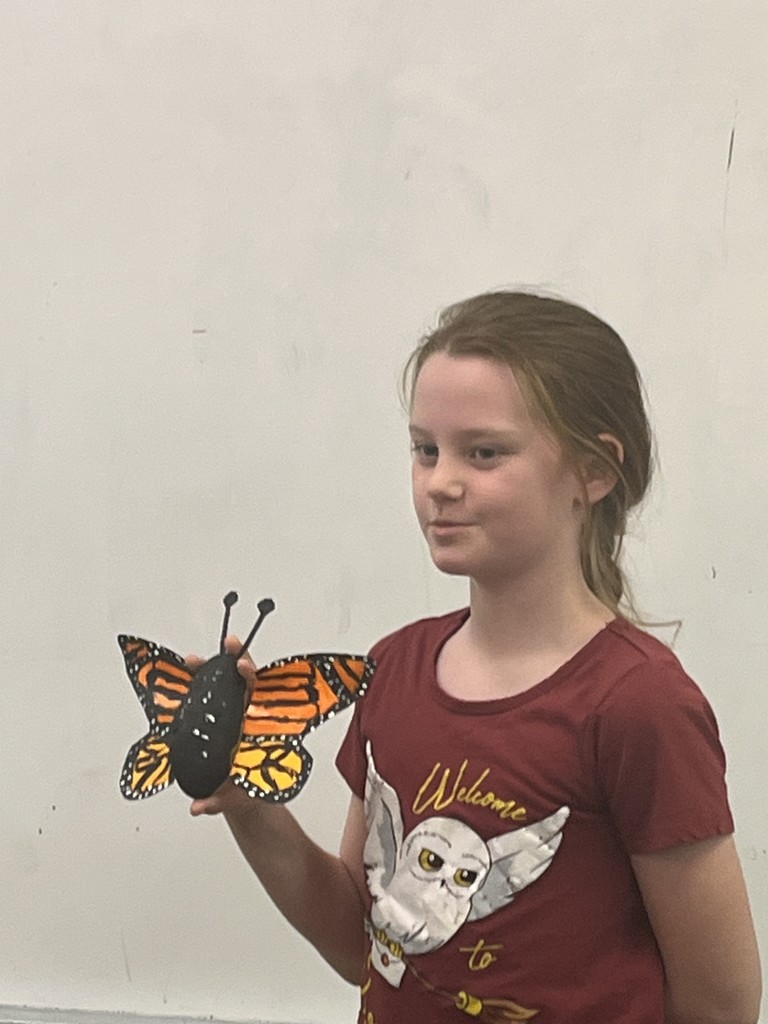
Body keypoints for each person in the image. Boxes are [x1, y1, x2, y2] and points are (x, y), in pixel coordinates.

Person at [190, 291, 761, 1023]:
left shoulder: (638, 705)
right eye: (425, 449)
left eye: (484, 453)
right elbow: (361, 942)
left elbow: (721, 1002)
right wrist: (248, 805)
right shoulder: (394, 670)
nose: (440, 483)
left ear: (594, 471)